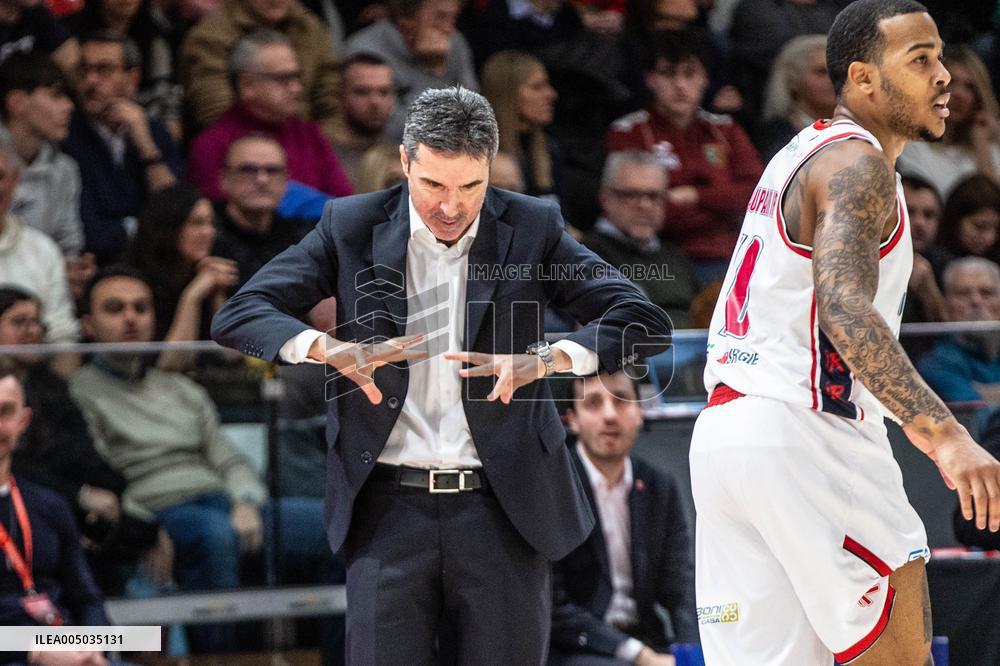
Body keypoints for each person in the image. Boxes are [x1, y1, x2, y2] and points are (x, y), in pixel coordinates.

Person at [210, 86, 671, 663]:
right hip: (386, 510)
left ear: (490, 171)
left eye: (470, 187)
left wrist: (549, 360)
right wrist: (324, 349)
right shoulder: (350, 225)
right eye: (433, 185)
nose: (450, 206)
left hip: (503, 509)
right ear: (405, 163)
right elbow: (240, 314)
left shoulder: (531, 226)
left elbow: (643, 319)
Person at [690, 1, 1000, 664]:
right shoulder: (860, 168)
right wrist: (946, 436)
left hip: (727, 438)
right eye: (920, 60)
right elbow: (846, 312)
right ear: (862, 78)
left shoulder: (799, 154)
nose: (944, 76)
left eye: (941, 56)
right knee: (897, 653)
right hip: (807, 432)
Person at [70, 266, 342, 655]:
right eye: (115, 309)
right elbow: (101, 475)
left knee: (328, 526)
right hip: (158, 508)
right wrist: (141, 527)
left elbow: (226, 457)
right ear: (89, 325)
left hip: (223, 502)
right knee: (214, 535)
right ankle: (216, 662)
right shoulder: (81, 393)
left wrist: (245, 500)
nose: (130, 317)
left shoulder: (180, 388)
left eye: (140, 308)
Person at [0, 287, 167, 596]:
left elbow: (82, 452)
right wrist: (80, 495)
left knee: (146, 534)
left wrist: (107, 491)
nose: (31, 331)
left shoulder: (52, 388)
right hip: (21, 506)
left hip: (67, 503)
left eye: (37, 323)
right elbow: (15, 467)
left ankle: (135, 641)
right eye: (19, 322)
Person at [550, 371, 697, 665]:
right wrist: (640, 656)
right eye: (593, 403)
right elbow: (555, 607)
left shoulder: (657, 486)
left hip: (648, 638)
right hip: (580, 648)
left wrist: (693, 654)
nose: (609, 415)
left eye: (621, 401)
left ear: (639, 412)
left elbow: (680, 588)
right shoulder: (554, 489)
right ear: (572, 419)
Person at [607, 30, 763, 283]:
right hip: (661, 258)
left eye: (689, 74)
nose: (680, 85)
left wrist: (694, 195)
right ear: (649, 79)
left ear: (705, 79)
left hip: (733, 254)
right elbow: (642, 211)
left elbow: (757, 196)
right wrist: (723, 205)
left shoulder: (726, 129)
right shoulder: (629, 132)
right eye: (668, 74)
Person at [0, 359, 110, 666]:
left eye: (5, 412)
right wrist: (32, 652)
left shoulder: (50, 505)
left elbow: (87, 598)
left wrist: (93, 649)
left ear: (23, 422)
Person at [186, 30, 353, 203]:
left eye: (297, 77)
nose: (297, 88)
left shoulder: (309, 134)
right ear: (247, 85)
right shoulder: (211, 145)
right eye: (284, 79)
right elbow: (217, 217)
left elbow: (344, 205)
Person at [62, 32, 181, 266]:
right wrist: (146, 231)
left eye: (104, 70)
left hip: (154, 264)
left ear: (132, 79)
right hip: (96, 264)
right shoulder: (66, 135)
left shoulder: (153, 132)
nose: (91, 81)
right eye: (83, 70)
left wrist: (146, 146)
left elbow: (176, 213)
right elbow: (89, 233)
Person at [179, 0, 342, 136]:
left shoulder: (310, 27)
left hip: (308, 142)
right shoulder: (209, 37)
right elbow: (217, 111)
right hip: (240, 149)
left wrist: (318, 144)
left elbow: (331, 100)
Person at [582, 150, 700, 327]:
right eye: (631, 195)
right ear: (605, 198)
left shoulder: (676, 255)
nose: (644, 205)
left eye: (654, 196)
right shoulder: (586, 254)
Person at [344, 0, 478, 141]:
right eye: (440, 17)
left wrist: (437, 67)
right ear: (406, 20)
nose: (449, 29)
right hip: (384, 149)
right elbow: (383, 125)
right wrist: (431, 71)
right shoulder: (366, 48)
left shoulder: (455, 44)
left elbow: (474, 113)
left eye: (453, 18)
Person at [127, 183, 238, 344]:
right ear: (168, 227)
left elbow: (232, 356)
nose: (209, 232)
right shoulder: (135, 282)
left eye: (211, 223)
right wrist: (192, 297)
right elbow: (169, 363)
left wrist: (217, 294)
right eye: (197, 223)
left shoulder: (210, 273)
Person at [0, 53, 82, 258]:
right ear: (17, 102)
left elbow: (69, 244)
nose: (68, 106)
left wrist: (71, 269)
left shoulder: (65, 170)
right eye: (56, 96)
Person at [898, 45, 1000, 196]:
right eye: (951, 82)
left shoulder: (989, 149)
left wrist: (981, 142)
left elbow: (992, 208)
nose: (959, 94)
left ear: (978, 97)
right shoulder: (910, 144)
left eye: (969, 87)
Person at [213, 134, 314, 287]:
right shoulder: (207, 235)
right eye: (248, 169)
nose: (262, 180)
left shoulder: (302, 239)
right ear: (224, 179)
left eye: (272, 170)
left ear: (286, 180)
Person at [0, 145, 77, 343]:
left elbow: (63, 335)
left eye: (0, 176)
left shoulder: (43, 250)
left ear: (15, 180)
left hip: (31, 372)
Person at [917, 257, 1000, 431]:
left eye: (987, 293)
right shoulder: (935, 362)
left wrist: (988, 393)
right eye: (963, 293)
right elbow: (978, 420)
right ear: (946, 305)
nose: (976, 301)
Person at [481, 51, 564, 207]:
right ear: (507, 94)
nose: (551, 94)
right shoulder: (478, 153)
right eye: (537, 87)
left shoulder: (550, 149)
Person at [757, 34, 837, 161]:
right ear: (792, 81)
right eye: (821, 72)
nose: (833, 80)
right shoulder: (774, 138)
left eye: (837, 72)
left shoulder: (863, 128)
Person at [329, 53, 396, 188]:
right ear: (340, 97)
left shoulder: (405, 153)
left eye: (384, 92)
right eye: (362, 92)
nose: (375, 102)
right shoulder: (323, 154)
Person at [901, 175, 946, 323]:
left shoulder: (947, 264)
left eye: (929, 215)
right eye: (909, 212)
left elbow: (955, 335)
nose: (920, 223)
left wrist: (929, 291)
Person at [938, 174, 1000, 267]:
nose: (990, 238)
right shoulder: (934, 263)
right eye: (980, 226)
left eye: (997, 228)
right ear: (955, 222)